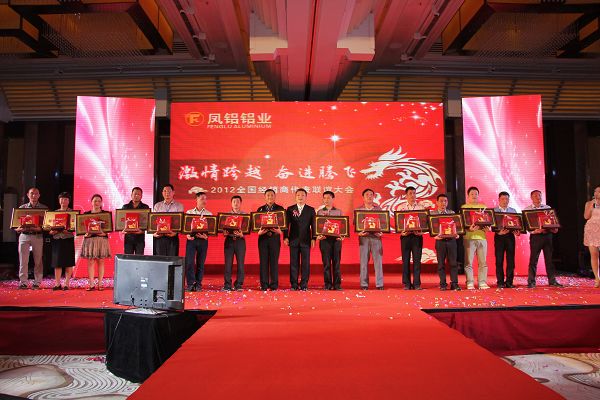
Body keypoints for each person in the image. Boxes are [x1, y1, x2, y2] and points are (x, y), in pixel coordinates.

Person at [524, 190, 564, 288]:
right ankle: (531, 282)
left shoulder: (547, 208)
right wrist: (534, 231)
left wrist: (554, 228)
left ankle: (552, 281)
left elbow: (552, 221)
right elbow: (526, 226)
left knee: (549, 260)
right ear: (531, 198)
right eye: (535, 196)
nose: (538, 197)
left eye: (539, 196)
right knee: (533, 260)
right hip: (536, 237)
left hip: (547, 236)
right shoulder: (527, 210)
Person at [15, 187, 47, 290]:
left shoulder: (44, 209)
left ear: (39, 195)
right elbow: (15, 224)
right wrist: (17, 228)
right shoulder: (22, 208)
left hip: (37, 235)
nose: (34, 195)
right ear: (28, 195)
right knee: (23, 260)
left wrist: (41, 228)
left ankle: (37, 282)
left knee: (38, 260)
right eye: (32, 193)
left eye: (36, 193)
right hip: (24, 235)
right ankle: (23, 282)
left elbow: (47, 225)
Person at [284, 188, 316, 291]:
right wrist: (285, 237)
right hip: (293, 240)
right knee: (293, 263)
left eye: (302, 195)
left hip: (306, 240)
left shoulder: (310, 210)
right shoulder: (290, 209)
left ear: (306, 197)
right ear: (295, 197)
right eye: (298, 195)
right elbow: (286, 225)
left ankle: (304, 284)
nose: (300, 197)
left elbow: (314, 225)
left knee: (305, 263)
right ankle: (294, 284)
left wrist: (314, 238)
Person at [461, 186, 490, 290]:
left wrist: (488, 228)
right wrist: (469, 229)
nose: (474, 196)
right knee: (468, 262)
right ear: (468, 196)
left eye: (476, 194)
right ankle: (470, 282)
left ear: (478, 195)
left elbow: (489, 222)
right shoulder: (464, 208)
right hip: (469, 238)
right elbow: (462, 224)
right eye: (472, 194)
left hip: (482, 238)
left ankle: (482, 282)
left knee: (483, 262)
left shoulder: (483, 207)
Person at [81, 194, 111, 291]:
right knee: (90, 261)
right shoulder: (86, 214)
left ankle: (100, 283)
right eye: (95, 201)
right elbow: (82, 229)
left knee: (101, 261)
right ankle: (91, 284)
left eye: (99, 201)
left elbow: (109, 228)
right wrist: (85, 233)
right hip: (90, 240)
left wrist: (103, 233)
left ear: (101, 203)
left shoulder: (106, 214)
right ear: (91, 202)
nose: (97, 203)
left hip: (101, 239)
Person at [431, 194, 461, 291]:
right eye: (441, 201)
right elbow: (431, 228)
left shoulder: (452, 213)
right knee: (441, 264)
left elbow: (457, 227)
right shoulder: (433, 214)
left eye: (445, 201)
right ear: (437, 202)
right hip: (440, 241)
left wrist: (457, 233)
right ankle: (443, 284)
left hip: (451, 241)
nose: (443, 203)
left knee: (453, 263)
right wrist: (435, 236)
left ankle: (454, 283)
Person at [256, 189, 284, 291]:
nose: (270, 197)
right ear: (265, 197)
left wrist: (280, 231)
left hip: (274, 239)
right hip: (263, 239)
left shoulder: (280, 209)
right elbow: (256, 225)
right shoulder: (260, 209)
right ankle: (264, 284)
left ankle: (274, 285)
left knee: (274, 262)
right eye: (268, 195)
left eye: (272, 195)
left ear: (275, 196)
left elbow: (283, 225)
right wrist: (258, 232)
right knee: (263, 262)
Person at [356, 189, 384, 290]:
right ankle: (364, 284)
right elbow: (356, 225)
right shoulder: (358, 210)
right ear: (363, 197)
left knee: (378, 262)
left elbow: (383, 223)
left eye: (371, 194)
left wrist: (381, 231)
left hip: (376, 237)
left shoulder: (379, 209)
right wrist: (359, 232)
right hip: (364, 238)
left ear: (374, 197)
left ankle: (379, 284)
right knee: (363, 262)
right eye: (367, 195)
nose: (369, 196)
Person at [316, 191, 343, 290]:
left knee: (337, 263)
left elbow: (342, 226)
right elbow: (317, 226)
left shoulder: (339, 212)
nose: (326, 200)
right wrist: (318, 236)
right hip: (324, 240)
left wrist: (342, 236)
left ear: (333, 199)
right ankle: (327, 284)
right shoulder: (319, 212)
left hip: (336, 240)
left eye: (328, 198)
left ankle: (337, 285)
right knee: (326, 263)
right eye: (325, 198)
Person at [398, 186, 424, 290]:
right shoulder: (401, 208)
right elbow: (398, 223)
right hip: (405, 237)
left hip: (417, 237)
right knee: (405, 260)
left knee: (417, 260)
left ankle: (417, 283)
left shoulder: (421, 208)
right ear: (406, 195)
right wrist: (402, 231)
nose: (412, 195)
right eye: (410, 193)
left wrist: (421, 231)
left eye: (414, 193)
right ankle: (407, 283)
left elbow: (424, 223)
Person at [185, 192, 211, 292]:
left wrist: (206, 236)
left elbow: (211, 230)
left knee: (201, 263)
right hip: (191, 240)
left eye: (205, 199)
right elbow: (186, 227)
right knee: (190, 262)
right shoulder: (189, 212)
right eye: (202, 199)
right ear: (196, 200)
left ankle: (198, 284)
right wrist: (187, 235)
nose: (204, 201)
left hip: (203, 240)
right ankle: (190, 284)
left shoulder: (209, 214)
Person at [49, 192, 75, 290]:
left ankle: (67, 283)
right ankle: (57, 283)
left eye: (66, 199)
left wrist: (68, 230)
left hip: (68, 239)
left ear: (69, 201)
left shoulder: (73, 213)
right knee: (57, 263)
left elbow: (75, 227)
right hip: (57, 239)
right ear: (59, 200)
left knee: (68, 262)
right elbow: (48, 227)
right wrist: (51, 231)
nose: (63, 201)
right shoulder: (54, 213)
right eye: (62, 199)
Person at [493, 191, 519, 288]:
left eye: (507, 199)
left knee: (510, 260)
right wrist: (498, 232)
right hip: (499, 237)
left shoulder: (513, 211)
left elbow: (517, 224)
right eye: (503, 199)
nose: (505, 201)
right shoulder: (494, 211)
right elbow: (491, 225)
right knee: (499, 260)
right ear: (499, 200)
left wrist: (517, 231)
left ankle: (509, 282)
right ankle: (500, 282)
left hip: (510, 237)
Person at [152, 184, 184, 256]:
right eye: (165, 191)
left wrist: (175, 233)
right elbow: (153, 221)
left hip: (173, 236)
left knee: (172, 259)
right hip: (160, 237)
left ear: (173, 192)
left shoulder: (179, 206)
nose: (167, 193)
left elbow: (181, 221)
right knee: (160, 259)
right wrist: (154, 233)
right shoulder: (157, 205)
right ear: (162, 193)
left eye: (169, 191)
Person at [223, 195, 246, 291]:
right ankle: (227, 285)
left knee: (240, 263)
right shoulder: (226, 215)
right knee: (228, 264)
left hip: (240, 241)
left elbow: (247, 228)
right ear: (231, 203)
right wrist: (224, 233)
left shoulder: (245, 215)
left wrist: (242, 234)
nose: (236, 203)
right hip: (229, 240)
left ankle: (239, 284)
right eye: (234, 202)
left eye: (238, 202)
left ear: (241, 203)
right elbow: (222, 229)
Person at [122, 187, 150, 255]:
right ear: (131, 195)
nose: (136, 196)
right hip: (128, 238)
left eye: (138, 194)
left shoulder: (145, 207)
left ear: (141, 196)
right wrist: (122, 230)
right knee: (128, 258)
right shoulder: (125, 207)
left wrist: (142, 231)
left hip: (140, 238)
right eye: (135, 194)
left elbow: (148, 222)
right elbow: (121, 221)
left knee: (139, 258)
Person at [584, 185, 600, 288]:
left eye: (599, 191)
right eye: (595, 191)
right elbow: (586, 216)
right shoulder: (589, 203)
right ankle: (597, 278)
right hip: (592, 230)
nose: (596, 193)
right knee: (594, 254)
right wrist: (591, 206)